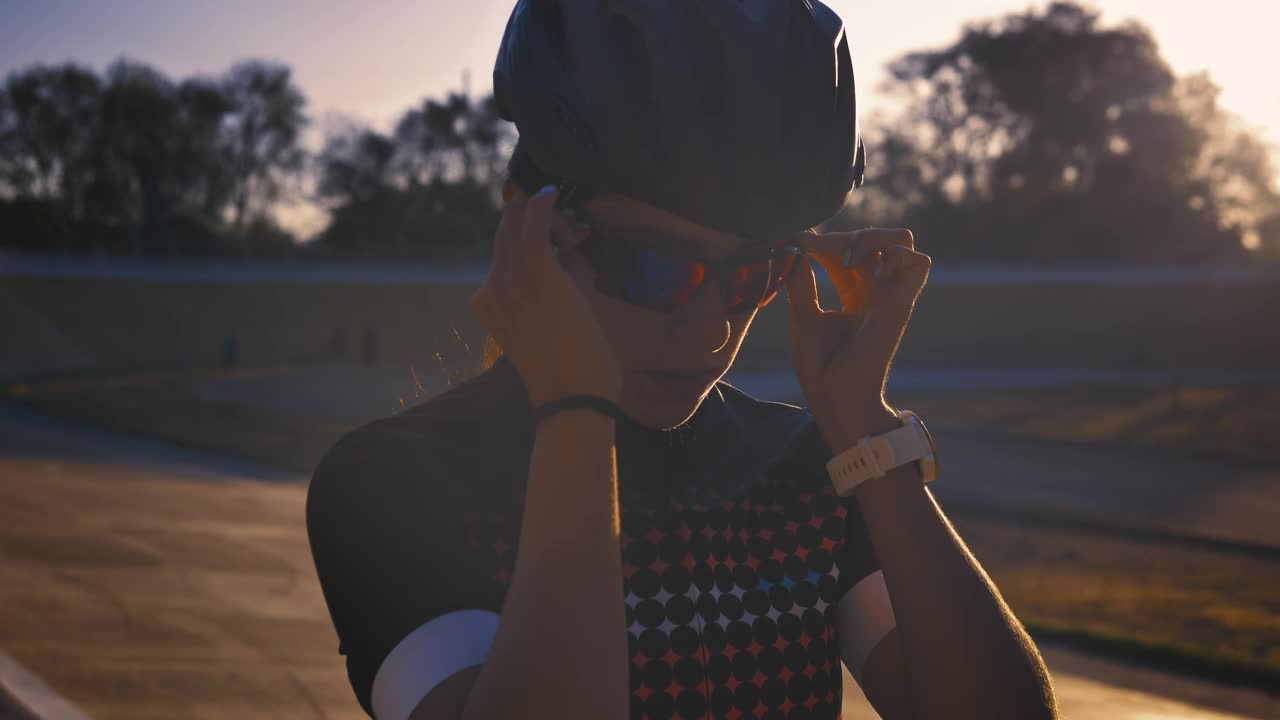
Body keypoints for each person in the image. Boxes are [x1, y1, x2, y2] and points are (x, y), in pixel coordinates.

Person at [306, 2, 1060, 718]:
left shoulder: (810, 465)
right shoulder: (393, 482)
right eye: (650, 267)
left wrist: (867, 429)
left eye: (754, 274)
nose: (709, 334)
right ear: (525, 229)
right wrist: (574, 414)